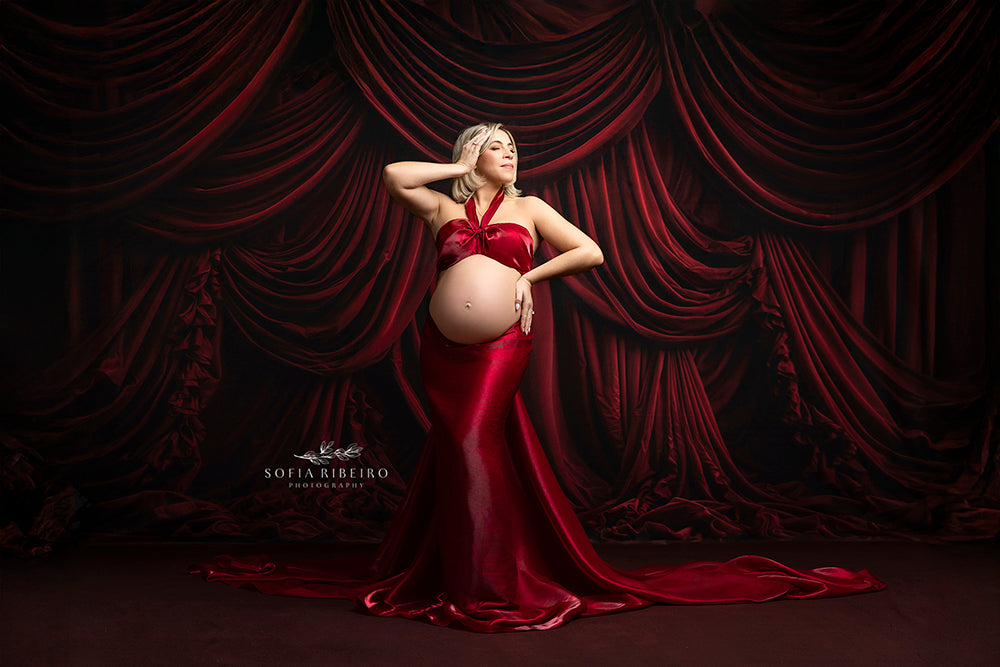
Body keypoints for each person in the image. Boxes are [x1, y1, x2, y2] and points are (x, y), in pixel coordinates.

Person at [190, 122, 885, 633]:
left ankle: (487, 588)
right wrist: (457, 163)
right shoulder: (442, 206)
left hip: (501, 343)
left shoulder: (529, 208)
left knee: (470, 445)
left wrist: (530, 277)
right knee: (461, 447)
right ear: (472, 154)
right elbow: (394, 176)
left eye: (514, 148)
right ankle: (460, 571)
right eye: (499, 146)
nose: (511, 155)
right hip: (442, 347)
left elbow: (592, 251)